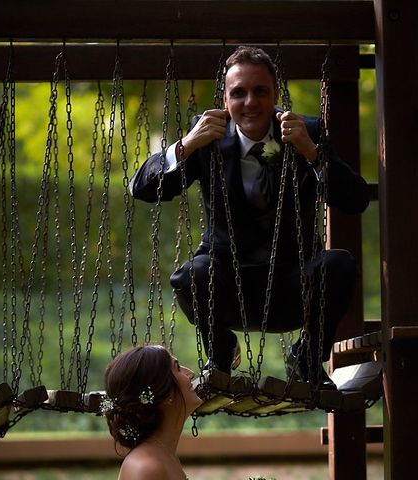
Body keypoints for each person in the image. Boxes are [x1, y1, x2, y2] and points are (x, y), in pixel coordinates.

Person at [130, 46, 369, 389]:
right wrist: (186, 145)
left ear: (275, 95)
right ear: (225, 99)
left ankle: (306, 360)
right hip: (228, 287)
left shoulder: (306, 132)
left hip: (291, 285)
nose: (250, 102)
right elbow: (142, 188)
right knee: (189, 275)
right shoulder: (207, 137)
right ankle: (222, 353)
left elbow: (356, 199)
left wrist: (311, 153)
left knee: (341, 265)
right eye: (238, 93)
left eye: (260, 91)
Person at [102, 344, 202, 480]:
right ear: (165, 394)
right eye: (178, 368)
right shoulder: (146, 468)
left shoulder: (162, 455)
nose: (190, 373)